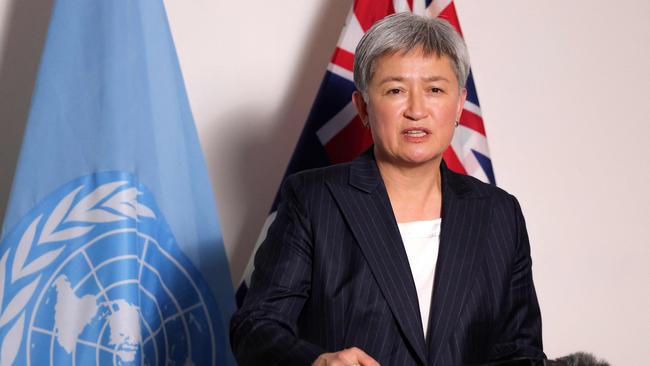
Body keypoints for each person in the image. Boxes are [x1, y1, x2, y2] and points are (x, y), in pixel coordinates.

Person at [230, 12, 545, 366]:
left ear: (459, 105)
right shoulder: (314, 200)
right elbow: (256, 328)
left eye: (435, 90)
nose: (416, 110)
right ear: (363, 107)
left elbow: (521, 350)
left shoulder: (499, 213)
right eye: (395, 90)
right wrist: (317, 362)